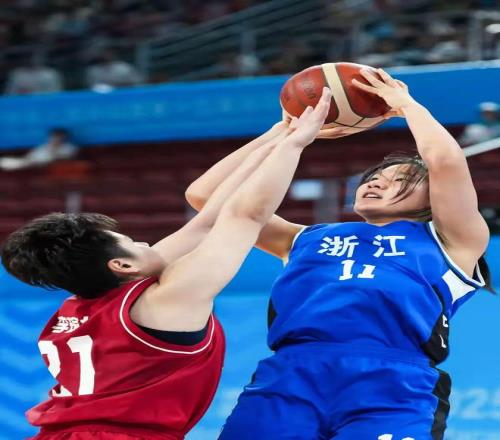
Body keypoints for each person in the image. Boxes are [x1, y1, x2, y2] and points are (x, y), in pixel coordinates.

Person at [1, 88, 335, 440]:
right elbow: (246, 216)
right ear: (121, 265)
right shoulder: (169, 297)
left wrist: (279, 132)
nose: (144, 243)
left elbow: (206, 221)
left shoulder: (83, 304)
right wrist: (296, 144)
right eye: (131, 242)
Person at [185, 69, 492, 439]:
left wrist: (406, 105)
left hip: (393, 384)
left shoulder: (451, 240)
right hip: (290, 376)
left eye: (400, 181)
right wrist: (283, 132)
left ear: (433, 199)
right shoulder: (302, 238)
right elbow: (205, 196)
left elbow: (445, 162)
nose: (377, 182)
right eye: (374, 177)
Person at [0, 128, 78, 171]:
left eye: (59, 137)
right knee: (5, 161)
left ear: (64, 138)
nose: (56, 139)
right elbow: (29, 156)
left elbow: (65, 159)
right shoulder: (43, 147)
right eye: (54, 137)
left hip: (46, 167)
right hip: (31, 163)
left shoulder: (70, 148)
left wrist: (54, 150)